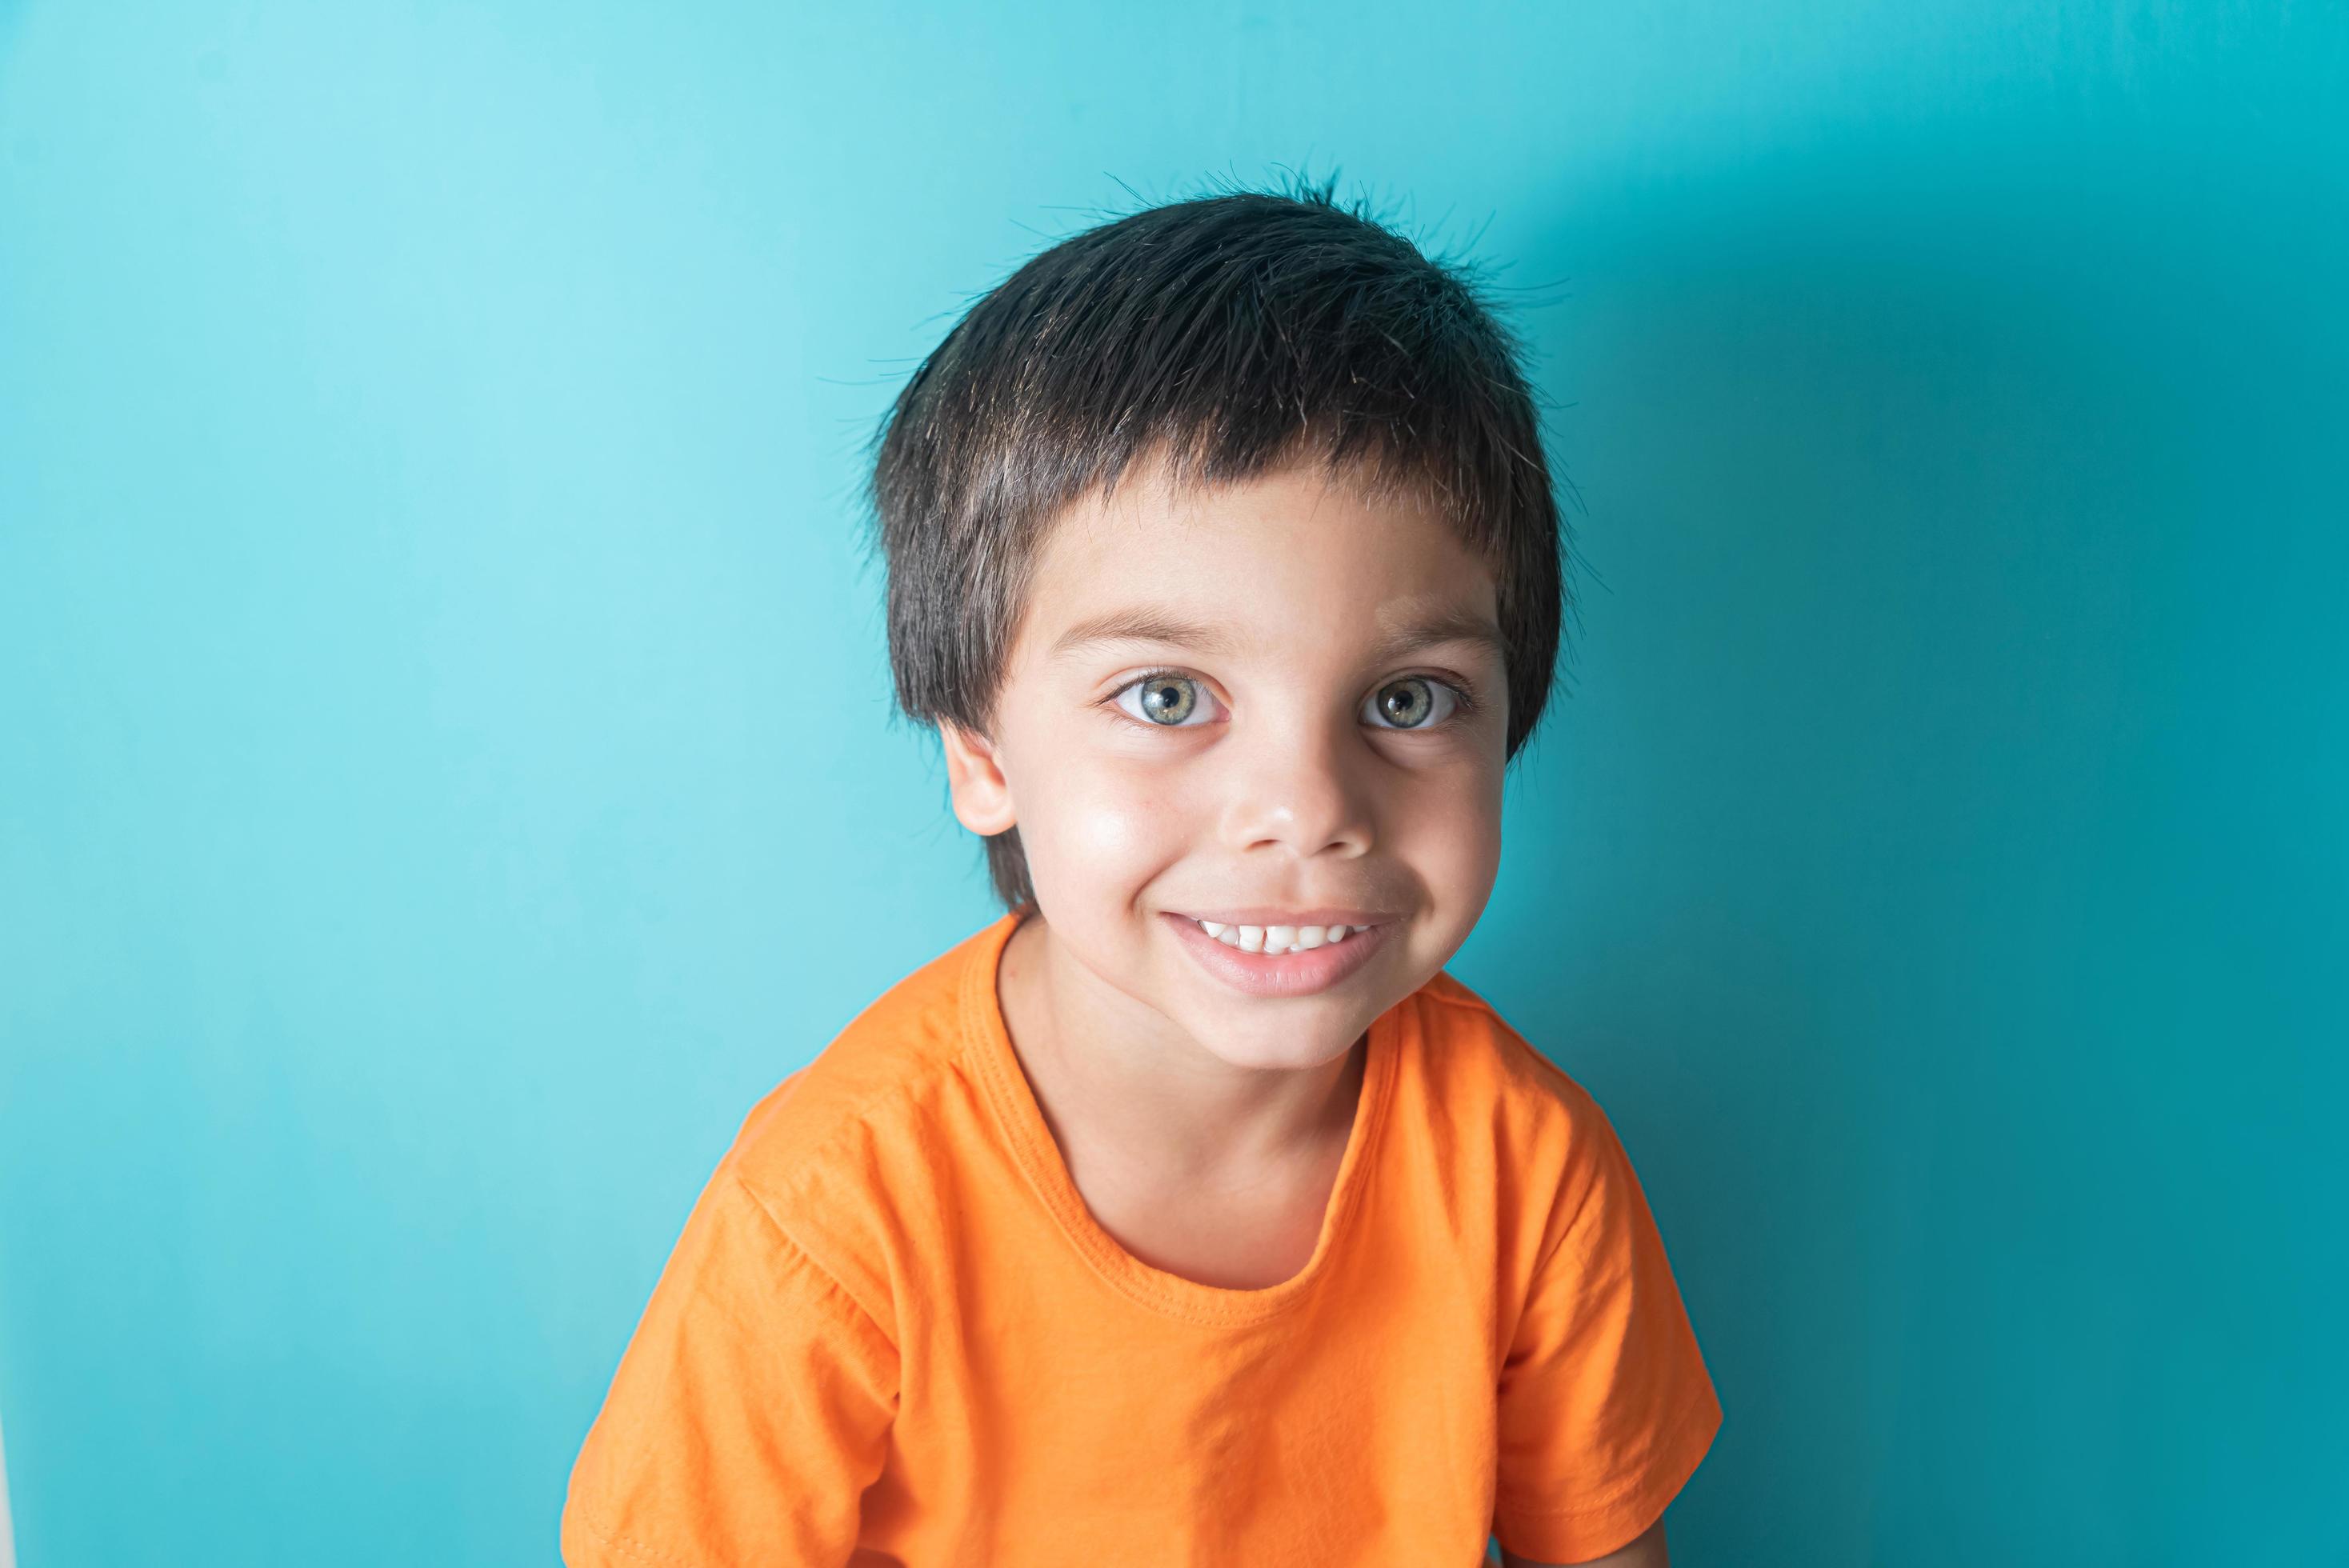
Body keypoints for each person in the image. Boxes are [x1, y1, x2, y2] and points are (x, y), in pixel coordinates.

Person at [559, 175, 1723, 1567]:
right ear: (982, 752)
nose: (1305, 813)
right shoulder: (831, 1216)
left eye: (1407, 701)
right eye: (1169, 697)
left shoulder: (1530, 1169)